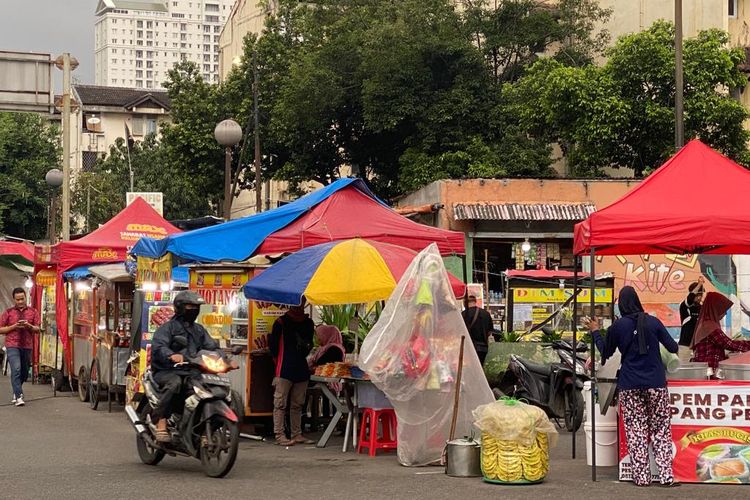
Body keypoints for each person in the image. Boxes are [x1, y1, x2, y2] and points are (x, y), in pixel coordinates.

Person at [583, 286, 679, 488]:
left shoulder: (617, 328)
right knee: (661, 429)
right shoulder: (653, 322)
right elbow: (673, 347)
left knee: (636, 431)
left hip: (630, 385)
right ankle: (666, 476)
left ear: (621, 305)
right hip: (656, 384)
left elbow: (605, 353)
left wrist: (595, 332)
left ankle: (642, 478)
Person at [150, 291, 236, 442]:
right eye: (190, 306)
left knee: (211, 389)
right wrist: (171, 355)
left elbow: (212, 347)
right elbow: (159, 347)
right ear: (180, 307)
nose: (194, 310)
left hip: (192, 372)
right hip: (168, 371)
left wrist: (225, 360)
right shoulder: (168, 328)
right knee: (174, 384)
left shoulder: (199, 330)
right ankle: (161, 422)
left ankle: (201, 427)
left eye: (196, 307)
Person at [269, 299, 315, 446]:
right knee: (280, 403)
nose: (298, 305)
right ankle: (279, 434)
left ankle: (297, 434)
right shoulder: (280, 323)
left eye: (301, 302)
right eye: (296, 302)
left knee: (298, 404)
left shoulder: (308, 323)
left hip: (301, 368)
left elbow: (309, 345)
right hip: (284, 368)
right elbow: (274, 347)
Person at [690, 292, 750, 375]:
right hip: (708, 372)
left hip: (708, 370)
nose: (725, 313)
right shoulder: (709, 326)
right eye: (723, 310)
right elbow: (728, 344)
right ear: (715, 308)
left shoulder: (707, 323)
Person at [0, 288, 40, 406]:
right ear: (14, 299)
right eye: (18, 299)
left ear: (25, 298)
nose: (20, 301)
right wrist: (14, 326)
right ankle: (19, 396)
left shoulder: (33, 312)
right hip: (12, 344)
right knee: (16, 369)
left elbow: (37, 329)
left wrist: (28, 326)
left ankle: (16, 390)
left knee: (24, 371)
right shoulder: (8, 312)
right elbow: (1, 329)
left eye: (22, 299)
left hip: (27, 345)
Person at [461, 295, 495, 365]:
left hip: (469, 348)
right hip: (483, 348)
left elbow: (460, 331)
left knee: (470, 368)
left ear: (465, 303)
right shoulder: (486, 314)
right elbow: (490, 331)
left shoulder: (463, 314)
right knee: (480, 367)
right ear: (475, 301)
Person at [678, 278, 703, 362]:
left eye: (701, 294)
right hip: (685, 345)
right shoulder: (685, 306)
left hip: (698, 346)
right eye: (697, 294)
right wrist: (699, 284)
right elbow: (690, 298)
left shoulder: (701, 308)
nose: (699, 297)